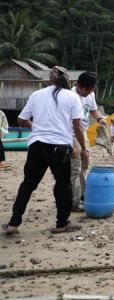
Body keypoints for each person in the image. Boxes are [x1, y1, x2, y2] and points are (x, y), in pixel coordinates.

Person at [2, 66, 87, 234]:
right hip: (59, 146)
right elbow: (77, 127)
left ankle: (13, 223)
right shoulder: (72, 97)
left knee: (28, 184)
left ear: (50, 79)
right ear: (68, 79)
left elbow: (21, 119)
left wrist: (35, 127)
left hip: (36, 145)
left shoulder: (36, 95)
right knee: (63, 185)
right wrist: (82, 148)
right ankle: (62, 224)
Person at [70, 71, 107, 212]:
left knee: (85, 164)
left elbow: (93, 110)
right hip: (71, 134)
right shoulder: (71, 96)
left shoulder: (90, 94)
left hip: (83, 132)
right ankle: (73, 202)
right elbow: (75, 125)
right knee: (75, 168)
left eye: (92, 90)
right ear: (79, 85)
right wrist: (82, 148)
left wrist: (100, 119)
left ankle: (83, 195)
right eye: (88, 90)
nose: (90, 92)